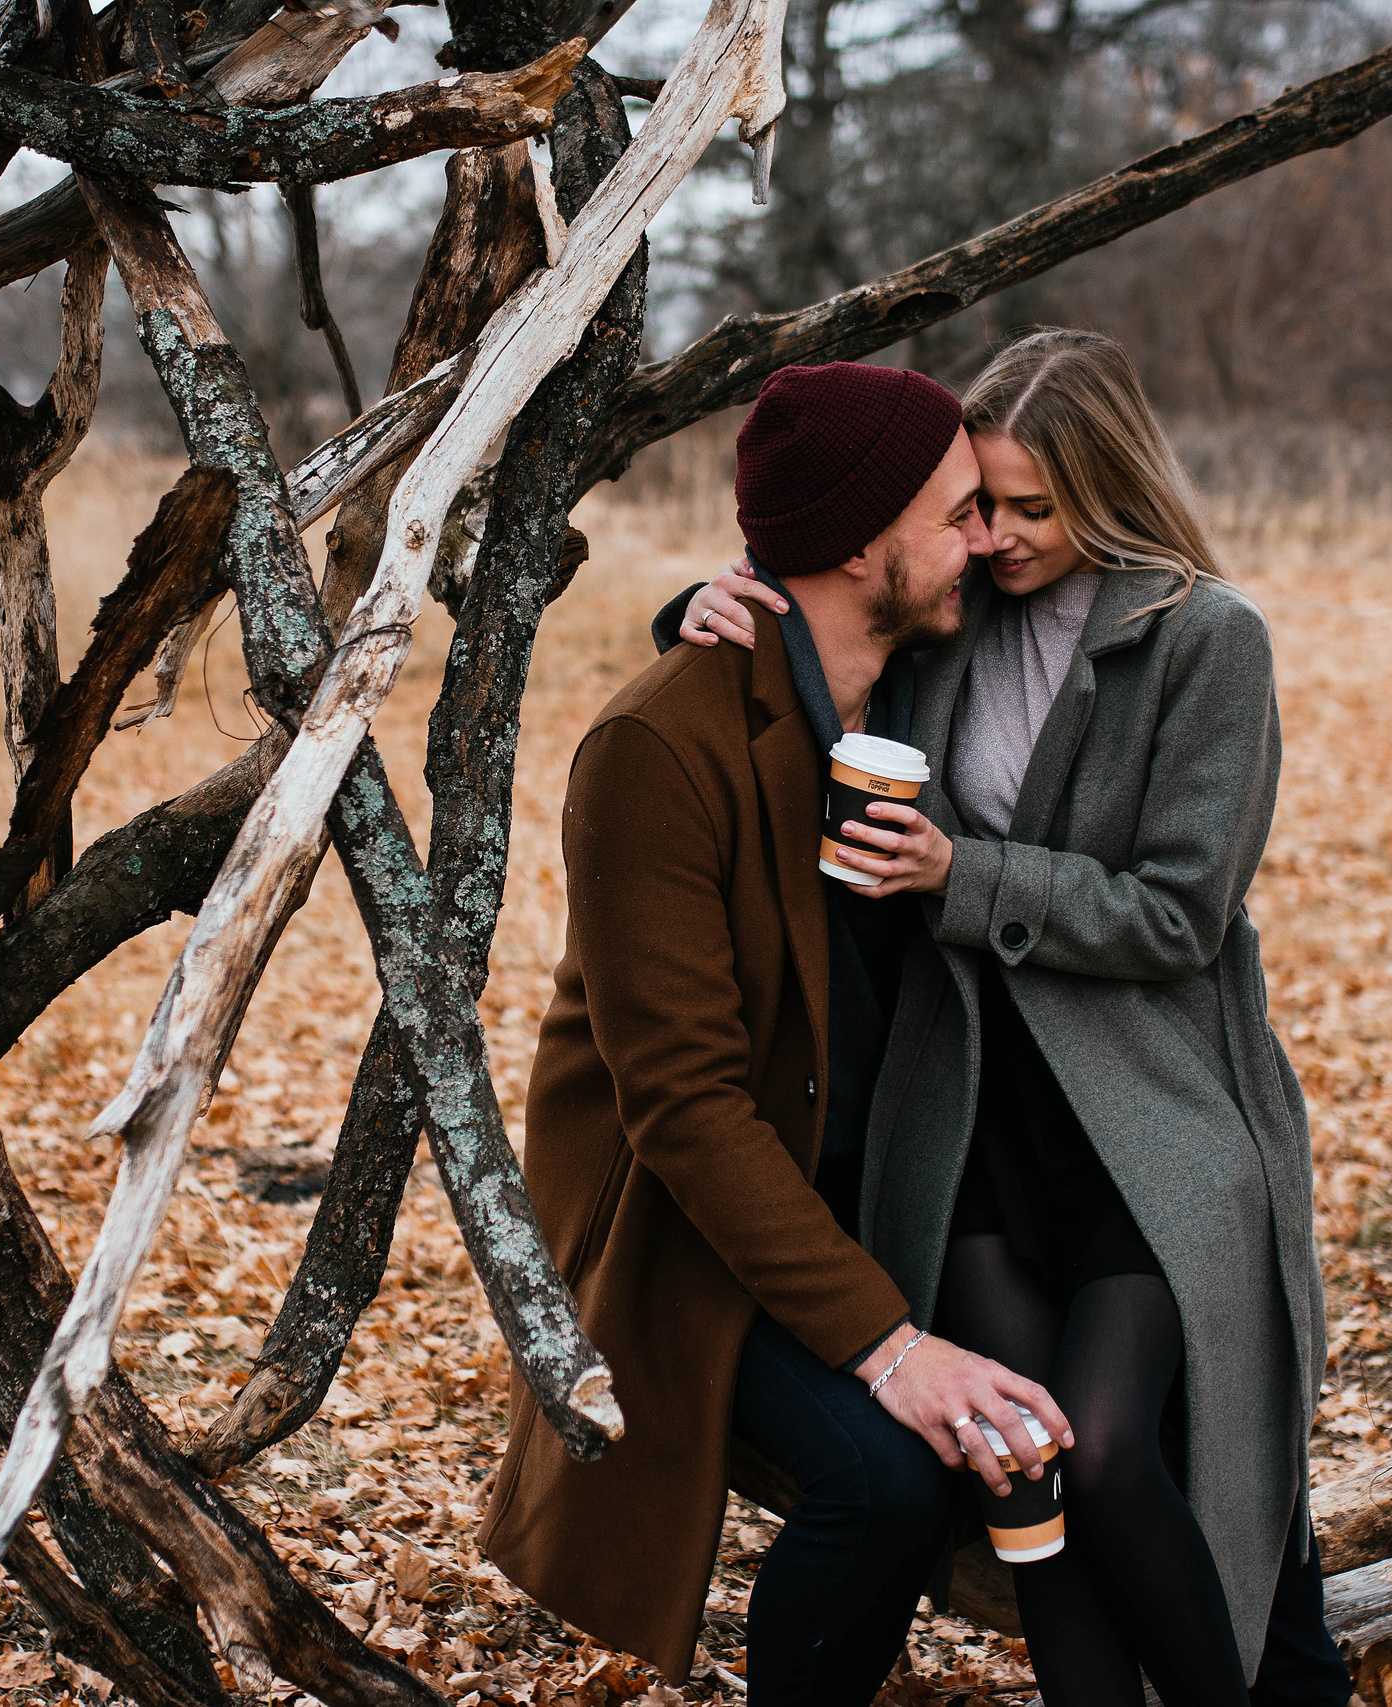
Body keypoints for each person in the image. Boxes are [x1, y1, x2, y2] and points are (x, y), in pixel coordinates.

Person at [665, 329, 1343, 1706]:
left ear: (1109, 489)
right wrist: (696, 605)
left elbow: (1180, 915)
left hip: (1151, 1120)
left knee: (1100, 1442)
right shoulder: (952, 614)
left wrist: (963, 878)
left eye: (1035, 507)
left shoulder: (1206, 640)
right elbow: (829, 636)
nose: (999, 534)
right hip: (968, 1115)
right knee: (1021, 1460)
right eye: (983, 503)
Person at [477, 362, 1076, 1707]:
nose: (988, 542)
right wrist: (893, 1350)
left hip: (856, 1190)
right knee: (886, 1477)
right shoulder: (655, 750)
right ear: (865, 542)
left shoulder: (916, 688)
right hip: (678, 1235)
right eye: (962, 513)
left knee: (1100, 1404)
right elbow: (683, 1111)